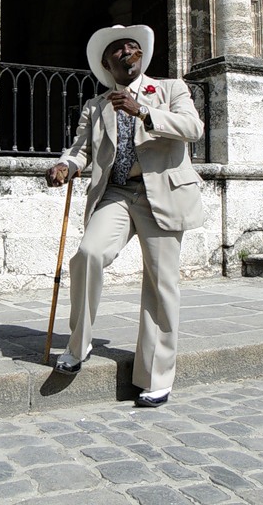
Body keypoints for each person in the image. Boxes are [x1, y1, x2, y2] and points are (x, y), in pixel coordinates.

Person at [46, 24, 204, 407]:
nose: (127, 52)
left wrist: (144, 112)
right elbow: (80, 149)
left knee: (161, 283)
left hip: (162, 195)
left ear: (141, 57)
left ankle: (156, 376)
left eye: (133, 47)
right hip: (116, 193)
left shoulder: (170, 89)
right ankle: (78, 345)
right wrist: (67, 166)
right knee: (88, 255)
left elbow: (193, 128)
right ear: (107, 62)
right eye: (118, 49)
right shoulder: (96, 106)